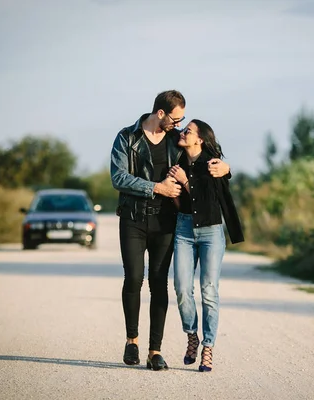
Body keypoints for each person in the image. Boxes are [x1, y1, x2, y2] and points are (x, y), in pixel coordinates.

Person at [110, 90, 231, 371]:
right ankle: (132, 341)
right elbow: (119, 177)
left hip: (166, 221)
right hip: (133, 218)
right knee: (134, 278)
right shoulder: (127, 138)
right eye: (176, 118)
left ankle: (155, 350)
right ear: (160, 113)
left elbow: (203, 158)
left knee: (159, 283)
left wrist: (227, 168)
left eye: (183, 120)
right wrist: (156, 188)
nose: (179, 124)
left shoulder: (174, 143)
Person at [167, 119, 244, 372]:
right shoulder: (176, 163)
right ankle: (192, 336)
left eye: (188, 130)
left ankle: (208, 347)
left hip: (211, 232)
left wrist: (227, 168)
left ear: (199, 139)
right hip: (184, 229)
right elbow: (178, 202)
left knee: (209, 291)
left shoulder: (213, 164)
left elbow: (219, 181)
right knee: (181, 287)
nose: (183, 132)